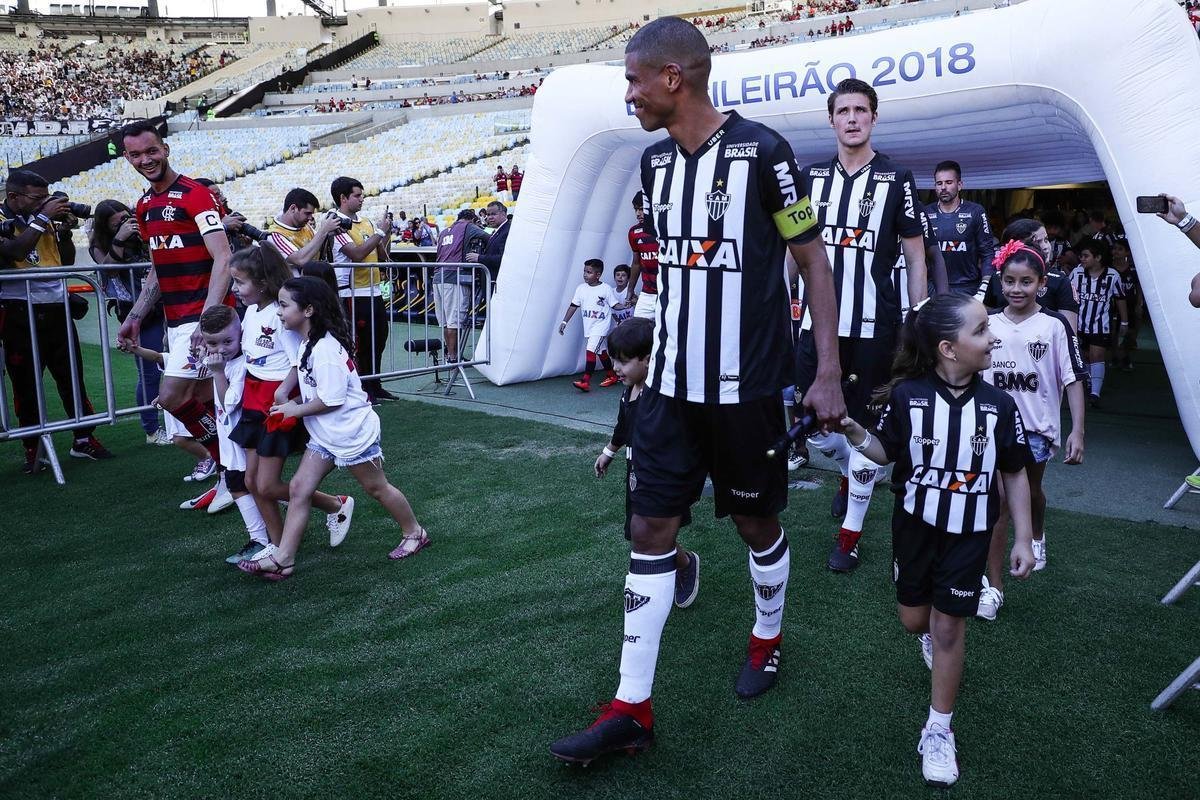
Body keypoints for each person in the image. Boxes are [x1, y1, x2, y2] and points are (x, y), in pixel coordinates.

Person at [550, 16, 843, 765]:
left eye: (634, 80)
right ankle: (631, 708)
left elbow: (813, 264)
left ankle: (767, 638)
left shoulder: (767, 154)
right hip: (670, 389)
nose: (629, 95)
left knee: (756, 526)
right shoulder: (653, 164)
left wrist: (828, 370)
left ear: (673, 77)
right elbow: (667, 277)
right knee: (650, 532)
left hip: (747, 391)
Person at [839, 292, 1035, 788]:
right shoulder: (908, 396)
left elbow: (1014, 473)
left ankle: (939, 728)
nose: (992, 339)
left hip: (969, 534)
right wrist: (850, 430)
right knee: (914, 620)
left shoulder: (999, 405)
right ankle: (928, 631)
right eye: (981, 331)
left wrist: (1024, 538)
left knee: (951, 628)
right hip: (915, 528)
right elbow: (884, 453)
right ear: (948, 348)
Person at [799, 78, 928, 573]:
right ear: (831, 119)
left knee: (867, 428)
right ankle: (844, 472)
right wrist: (776, 303)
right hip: (817, 327)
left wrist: (917, 319)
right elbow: (795, 253)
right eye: (843, 111)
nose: (852, 119)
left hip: (876, 328)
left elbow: (916, 257)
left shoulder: (898, 180)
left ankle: (848, 538)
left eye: (861, 110)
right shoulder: (809, 180)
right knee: (816, 426)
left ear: (874, 117)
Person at [239, 277, 429, 580]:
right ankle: (284, 559)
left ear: (309, 310)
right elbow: (315, 386)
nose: (279, 312)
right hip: (327, 435)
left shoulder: (324, 349)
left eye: (285, 305)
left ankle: (415, 532)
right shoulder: (309, 343)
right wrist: (288, 397)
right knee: (300, 489)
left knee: (376, 488)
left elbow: (332, 399)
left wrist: (293, 408)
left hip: (352, 434)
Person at [116, 119, 233, 470]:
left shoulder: (196, 194)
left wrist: (207, 320)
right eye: (136, 155)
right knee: (202, 398)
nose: (146, 160)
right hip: (176, 319)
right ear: (127, 158)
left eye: (151, 151)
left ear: (165, 150)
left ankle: (228, 465)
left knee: (170, 397)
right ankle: (231, 471)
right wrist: (135, 316)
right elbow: (156, 269)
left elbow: (224, 256)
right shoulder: (144, 206)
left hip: (203, 316)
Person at [978, 241, 1087, 617]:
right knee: (1000, 503)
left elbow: (1072, 378)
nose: (1016, 289)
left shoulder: (1054, 325)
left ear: (1041, 283)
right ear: (1000, 281)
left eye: (1026, 281)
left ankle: (1036, 535)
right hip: (990, 430)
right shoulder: (986, 322)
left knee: (1031, 493)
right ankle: (993, 585)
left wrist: (1077, 431)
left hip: (1037, 432)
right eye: (1009, 280)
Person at [227, 245, 355, 557]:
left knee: (267, 485)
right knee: (251, 480)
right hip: (252, 400)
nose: (235, 289)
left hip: (274, 403)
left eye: (239, 282)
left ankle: (334, 504)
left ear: (261, 283)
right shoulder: (252, 312)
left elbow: (298, 361)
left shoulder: (282, 316)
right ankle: (277, 544)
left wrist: (284, 392)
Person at [0, 169, 112, 472]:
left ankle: (84, 439)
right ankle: (33, 446)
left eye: (46, 198)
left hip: (56, 306)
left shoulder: (42, 219)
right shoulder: (3, 218)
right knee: (25, 382)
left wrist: (63, 232)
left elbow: (66, 261)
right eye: (38, 199)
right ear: (13, 197)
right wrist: (42, 218)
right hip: (19, 311)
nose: (44, 203)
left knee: (71, 375)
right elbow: (14, 251)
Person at [595, 317, 699, 606]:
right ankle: (683, 563)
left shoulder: (662, 392)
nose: (616, 368)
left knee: (653, 533)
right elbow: (623, 425)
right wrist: (609, 452)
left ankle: (678, 571)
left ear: (649, 359)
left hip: (665, 474)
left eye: (624, 361)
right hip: (636, 472)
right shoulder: (628, 390)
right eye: (614, 360)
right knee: (638, 533)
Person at [89, 198, 169, 446]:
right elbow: (108, 270)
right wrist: (120, 239)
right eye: (117, 223)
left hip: (165, 304)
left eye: (126, 218)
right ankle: (152, 430)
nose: (126, 224)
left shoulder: (144, 233)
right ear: (106, 227)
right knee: (149, 373)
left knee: (179, 365)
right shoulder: (100, 244)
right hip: (136, 313)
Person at [195, 304, 271, 564]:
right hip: (232, 439)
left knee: (246, 486)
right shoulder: (222, 360)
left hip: (244, 439)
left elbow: (230, 403)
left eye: (228, 341)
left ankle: (261, 539)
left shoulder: (241, 365)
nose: (221, 349)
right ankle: (266, 535)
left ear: (240, 334)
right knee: (250, 486)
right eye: (213, 343)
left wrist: (217, 372)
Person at [329, 176, 394, 403]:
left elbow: (382, 255)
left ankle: (375, 384)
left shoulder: (366, 222)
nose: (361, 199)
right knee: (361, 342)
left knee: (379, 339)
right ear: (343, 198)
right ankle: (363, 388)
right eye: (357, 195)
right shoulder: (335, 223)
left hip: (374, 290)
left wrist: (387, 234)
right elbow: (356, 254)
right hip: (352, 293)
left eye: (362, 195)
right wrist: (379, 233)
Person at [982, 218, 1080, 333]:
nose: (1045, 247)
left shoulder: (1061, 281)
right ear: (1013, 246)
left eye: (1046, 240)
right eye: (1037, 241)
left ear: (1042, 282)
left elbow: (1069, 334)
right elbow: (985, 324)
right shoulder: (996, 278)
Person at [1069, 239, 1126, 407]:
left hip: (1101, 324)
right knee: (1085, 356)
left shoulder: (1112, 275)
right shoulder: (1076, 273)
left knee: (1097, 355)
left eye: (1086, 256)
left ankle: (1095, 393)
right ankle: (1090, 383)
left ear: (1098, 257)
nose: (1082, 259)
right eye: (1081, 256)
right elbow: (1067, 296)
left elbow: (1120, 298)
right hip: (1079, 324)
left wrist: (1124, 321)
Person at [925, 160, 995, 296]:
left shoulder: (976, 211)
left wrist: (985, 285)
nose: (943, 187)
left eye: (949, 182)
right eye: (939, 183)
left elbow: (987, 253)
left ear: (960, 185)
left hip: (968, 288)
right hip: (933, 287)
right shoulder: (925, 213)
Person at [433, 208, 489, 361]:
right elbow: (489, 238)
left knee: (445, 321)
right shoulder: (468, 227)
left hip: (438, 276)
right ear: (472, 219)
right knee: (454, 320)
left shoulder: (444, 231)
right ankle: (453, 357)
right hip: (454, 277)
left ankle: (451, 355)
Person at [558, 258, 620, 392]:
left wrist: (626, 305)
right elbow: (574, 306)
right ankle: (612, 375)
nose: (585, 274)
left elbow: (615, 305)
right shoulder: (581, 289)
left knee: (591, 349)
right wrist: (564, 322)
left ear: (598, 275)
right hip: (589, 327)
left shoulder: (606, 289)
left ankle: (585, 381)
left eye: (589, 272)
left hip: (601, 327)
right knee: (601, 352)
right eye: (585, 271)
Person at [266, 187, 342, 271]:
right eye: (307, 213)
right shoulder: (275, 235)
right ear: (293, 208)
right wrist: (324, 230)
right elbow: (300, 259)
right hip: (295, 283)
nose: (310, 218)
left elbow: (319, 249)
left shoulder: (304, 225)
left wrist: (329, 235)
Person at [625, 190, 659, 320]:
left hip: (669, 293)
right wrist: (630, 291)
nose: (638, 213)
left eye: (641, 209)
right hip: (647, 294)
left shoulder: (667, 229)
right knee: (636, 334)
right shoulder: (634, 232)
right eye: (636, 209)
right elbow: (636, 263)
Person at [1110, 238, 1141, 371]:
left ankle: (1126, 356)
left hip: (1130, 306)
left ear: (1127, 252)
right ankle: (1115, 357)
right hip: (1112, 306)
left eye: (1120, 249)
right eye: (1115, 248)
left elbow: (1139, 288)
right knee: (1113, 333)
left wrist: (1140, 304)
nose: (1116, 251)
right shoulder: (1108, 268)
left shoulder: (1134, 270)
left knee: (1130, 333)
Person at [465, 201, 508, 286]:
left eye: (493, 214)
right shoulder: (498, 230)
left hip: (498, 282)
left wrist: (479, 258)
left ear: (503, 214)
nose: (490, 218)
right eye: (488, 215)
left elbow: (504, 258)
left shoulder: (507, 231)